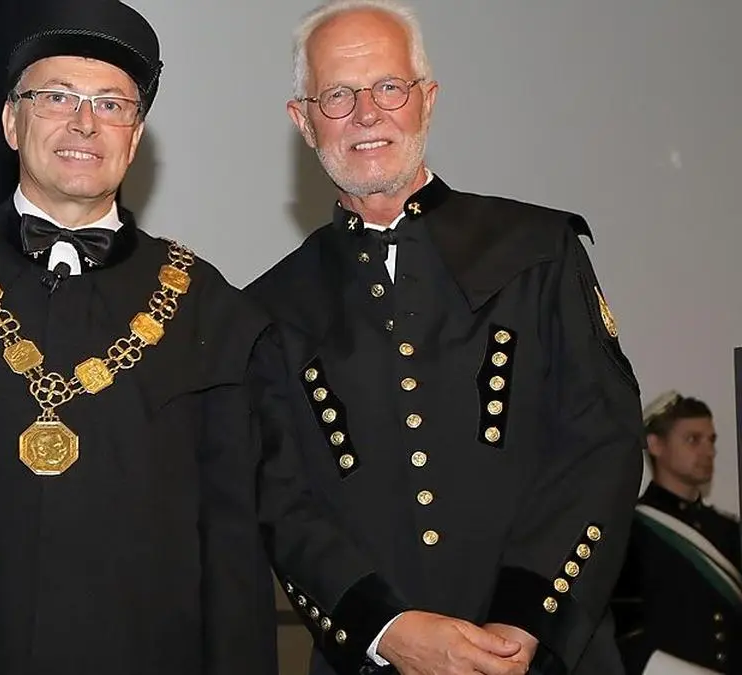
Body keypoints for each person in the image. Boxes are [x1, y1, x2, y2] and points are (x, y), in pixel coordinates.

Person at [0, 2, 370, 674]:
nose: (84, 122)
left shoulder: (212, 313)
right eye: (57, 97)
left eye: (111, 104)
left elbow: (231, 561)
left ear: (135, 137)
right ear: (11, 121)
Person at [245, 1, 645, 674]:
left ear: (427, 100)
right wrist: (388, 628)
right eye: (337, 95)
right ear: (303, 120)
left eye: (389, 87)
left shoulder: (539, 251)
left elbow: (600, 442)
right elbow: (281, 501)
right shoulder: (267, 309)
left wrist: (524, 619)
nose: (366, 113)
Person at [610, 392, 740, 674]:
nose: (709, 451)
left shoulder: (728, 530)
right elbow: (621, 632)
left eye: (711, 440)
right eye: (693, 439)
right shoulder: (628, 531)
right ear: (655, 445)